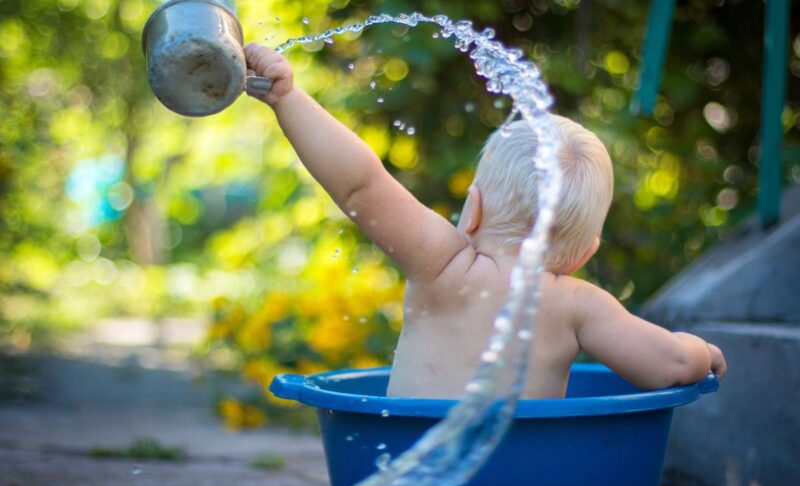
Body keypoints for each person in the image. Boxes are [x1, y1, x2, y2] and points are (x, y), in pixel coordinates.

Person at [243, 44, 727, 399]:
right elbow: (671, 365)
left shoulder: (443, 266)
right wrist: (702, 352)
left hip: (413, 468)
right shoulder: (579, 305)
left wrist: (288, 97)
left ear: (471, 209)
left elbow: (361, 185)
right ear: (586, 253)